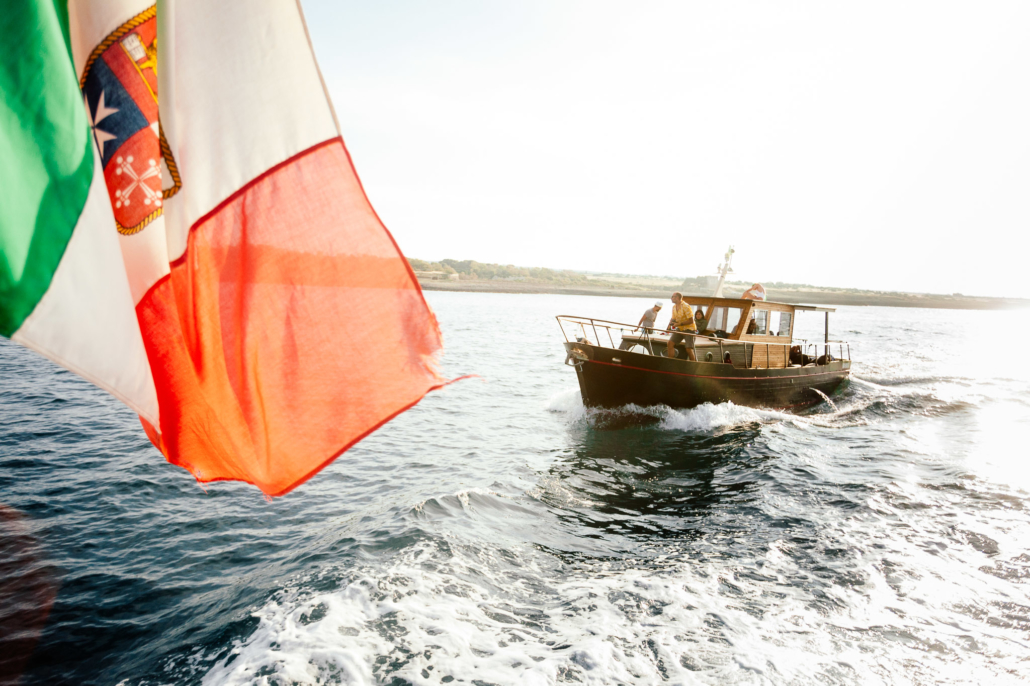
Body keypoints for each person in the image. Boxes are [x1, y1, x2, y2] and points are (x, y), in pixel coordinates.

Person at [666, 292, 698, 361]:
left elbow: (691, 320)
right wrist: (668, 327)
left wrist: (679, 324)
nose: (671, 298)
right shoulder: (674, 307)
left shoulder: (686, 306)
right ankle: (670, 361)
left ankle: (693, 365)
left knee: (688, 348)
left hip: (689, 329)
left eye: (672, 296)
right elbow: (673, 319)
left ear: (677, 298)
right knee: (670, 343)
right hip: (680, 329)